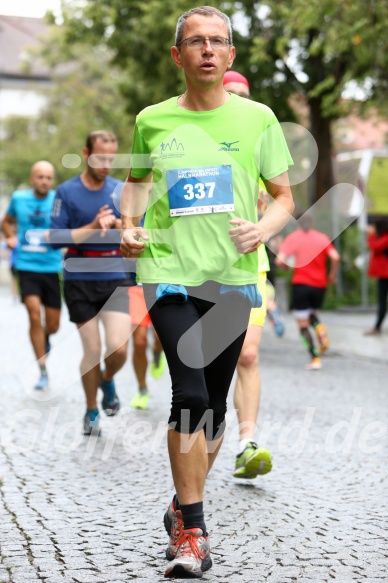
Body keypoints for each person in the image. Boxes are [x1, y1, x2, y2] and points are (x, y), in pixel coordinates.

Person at [120, 6, 294, 578]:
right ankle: (193, 530)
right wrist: (129, 226)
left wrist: (262, 229)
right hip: (168, 270)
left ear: (231, 55)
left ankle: (178, 505)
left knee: (214, 411)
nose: (207, 50)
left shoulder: (259, 119)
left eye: (218, 41)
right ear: (178, 56)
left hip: (233, 277)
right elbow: (136, 183)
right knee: (190, 392)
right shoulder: (153, 120)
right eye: (195, 42)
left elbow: (284, 198)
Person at [50, 130, 131, 436]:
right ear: (86, 153)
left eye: (111, 158)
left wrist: (119, 223)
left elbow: (138, 228)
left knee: (118, 349)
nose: (106, 164)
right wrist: (94, 225)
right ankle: (91, 409)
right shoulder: (66, 192)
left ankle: (107, 380)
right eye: (100, 158)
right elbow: (55, 238)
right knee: (92, 349)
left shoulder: (121, 190)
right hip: (79, 280)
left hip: (115, 278)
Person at [223, 71, 273, 480]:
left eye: (244, 95)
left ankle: (246, 443)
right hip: (202, 270)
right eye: (231, 92)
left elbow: (282, 203)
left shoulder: (260, 146)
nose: (238, 100)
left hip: (251, 267)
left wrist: (266, 215)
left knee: (249, 354)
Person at [2, 161, 62, 390]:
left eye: (48, 177)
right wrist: (9, 236)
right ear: (32, 179)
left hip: (52, 267)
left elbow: (66, 226)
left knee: (53, 325)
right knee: (34, 315)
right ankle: (43, 369)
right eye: (40, 177)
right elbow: (6, 222)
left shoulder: (59, 199)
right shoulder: (18, 198)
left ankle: (46, 337)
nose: (44, 181)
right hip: (27, 267)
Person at [276, 213, 340, 370]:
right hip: (320, 285)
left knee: (302, 324)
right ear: (312, 222)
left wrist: (285, 266)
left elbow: (279, 260)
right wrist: (331, 275)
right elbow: (335, 257)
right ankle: (319, 328)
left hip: (301, 284)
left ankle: (315, 358)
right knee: (311, 313)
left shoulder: (293, 238)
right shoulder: (322, 237)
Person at [129, 283, 166, 409]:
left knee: (160, 337)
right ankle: (142, 388)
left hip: (163, 286)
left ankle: (157, 353)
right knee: (139, 342)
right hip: (137, 287)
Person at [364, 219, 388, 335]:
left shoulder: (386, 238)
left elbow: (375, 247)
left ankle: (377, 327)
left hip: (385, 275)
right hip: (383, 275)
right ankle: (377, 326)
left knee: (382, 302)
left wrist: (371, 234)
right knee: (382, 302)